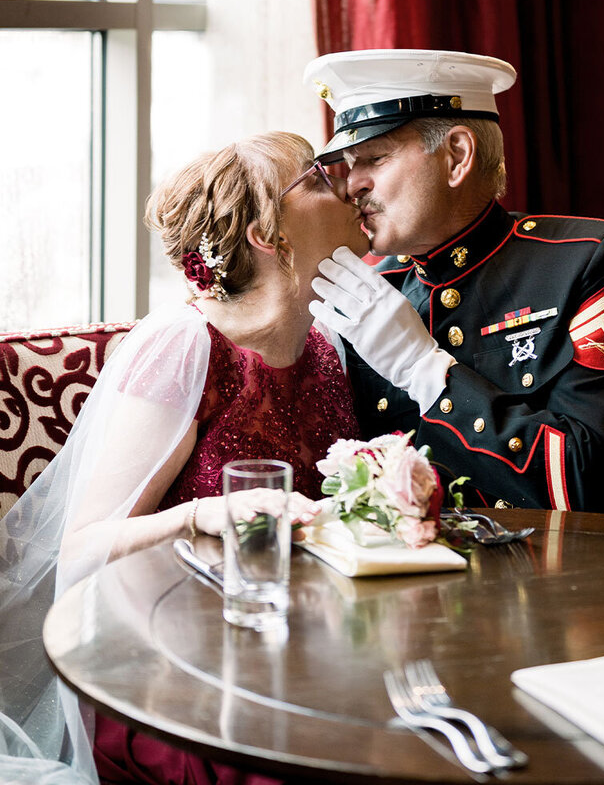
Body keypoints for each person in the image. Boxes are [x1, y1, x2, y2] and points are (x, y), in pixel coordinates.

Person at [0, 132, 371, 785]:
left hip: (299, 659)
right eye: (315, 178)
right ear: (266, 233)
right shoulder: (187, 349)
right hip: (176, 680)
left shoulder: (329, 347)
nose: (346, 183)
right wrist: (203, 515)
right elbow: (83, 548)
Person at [304, 48, 604, 516]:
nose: (353, 185)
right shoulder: (372, 292)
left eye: (373, 157)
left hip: (588, 566)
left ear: (456, 155)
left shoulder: (586, 259)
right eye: (350, 165)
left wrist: (424, 370)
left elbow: (583, 483)